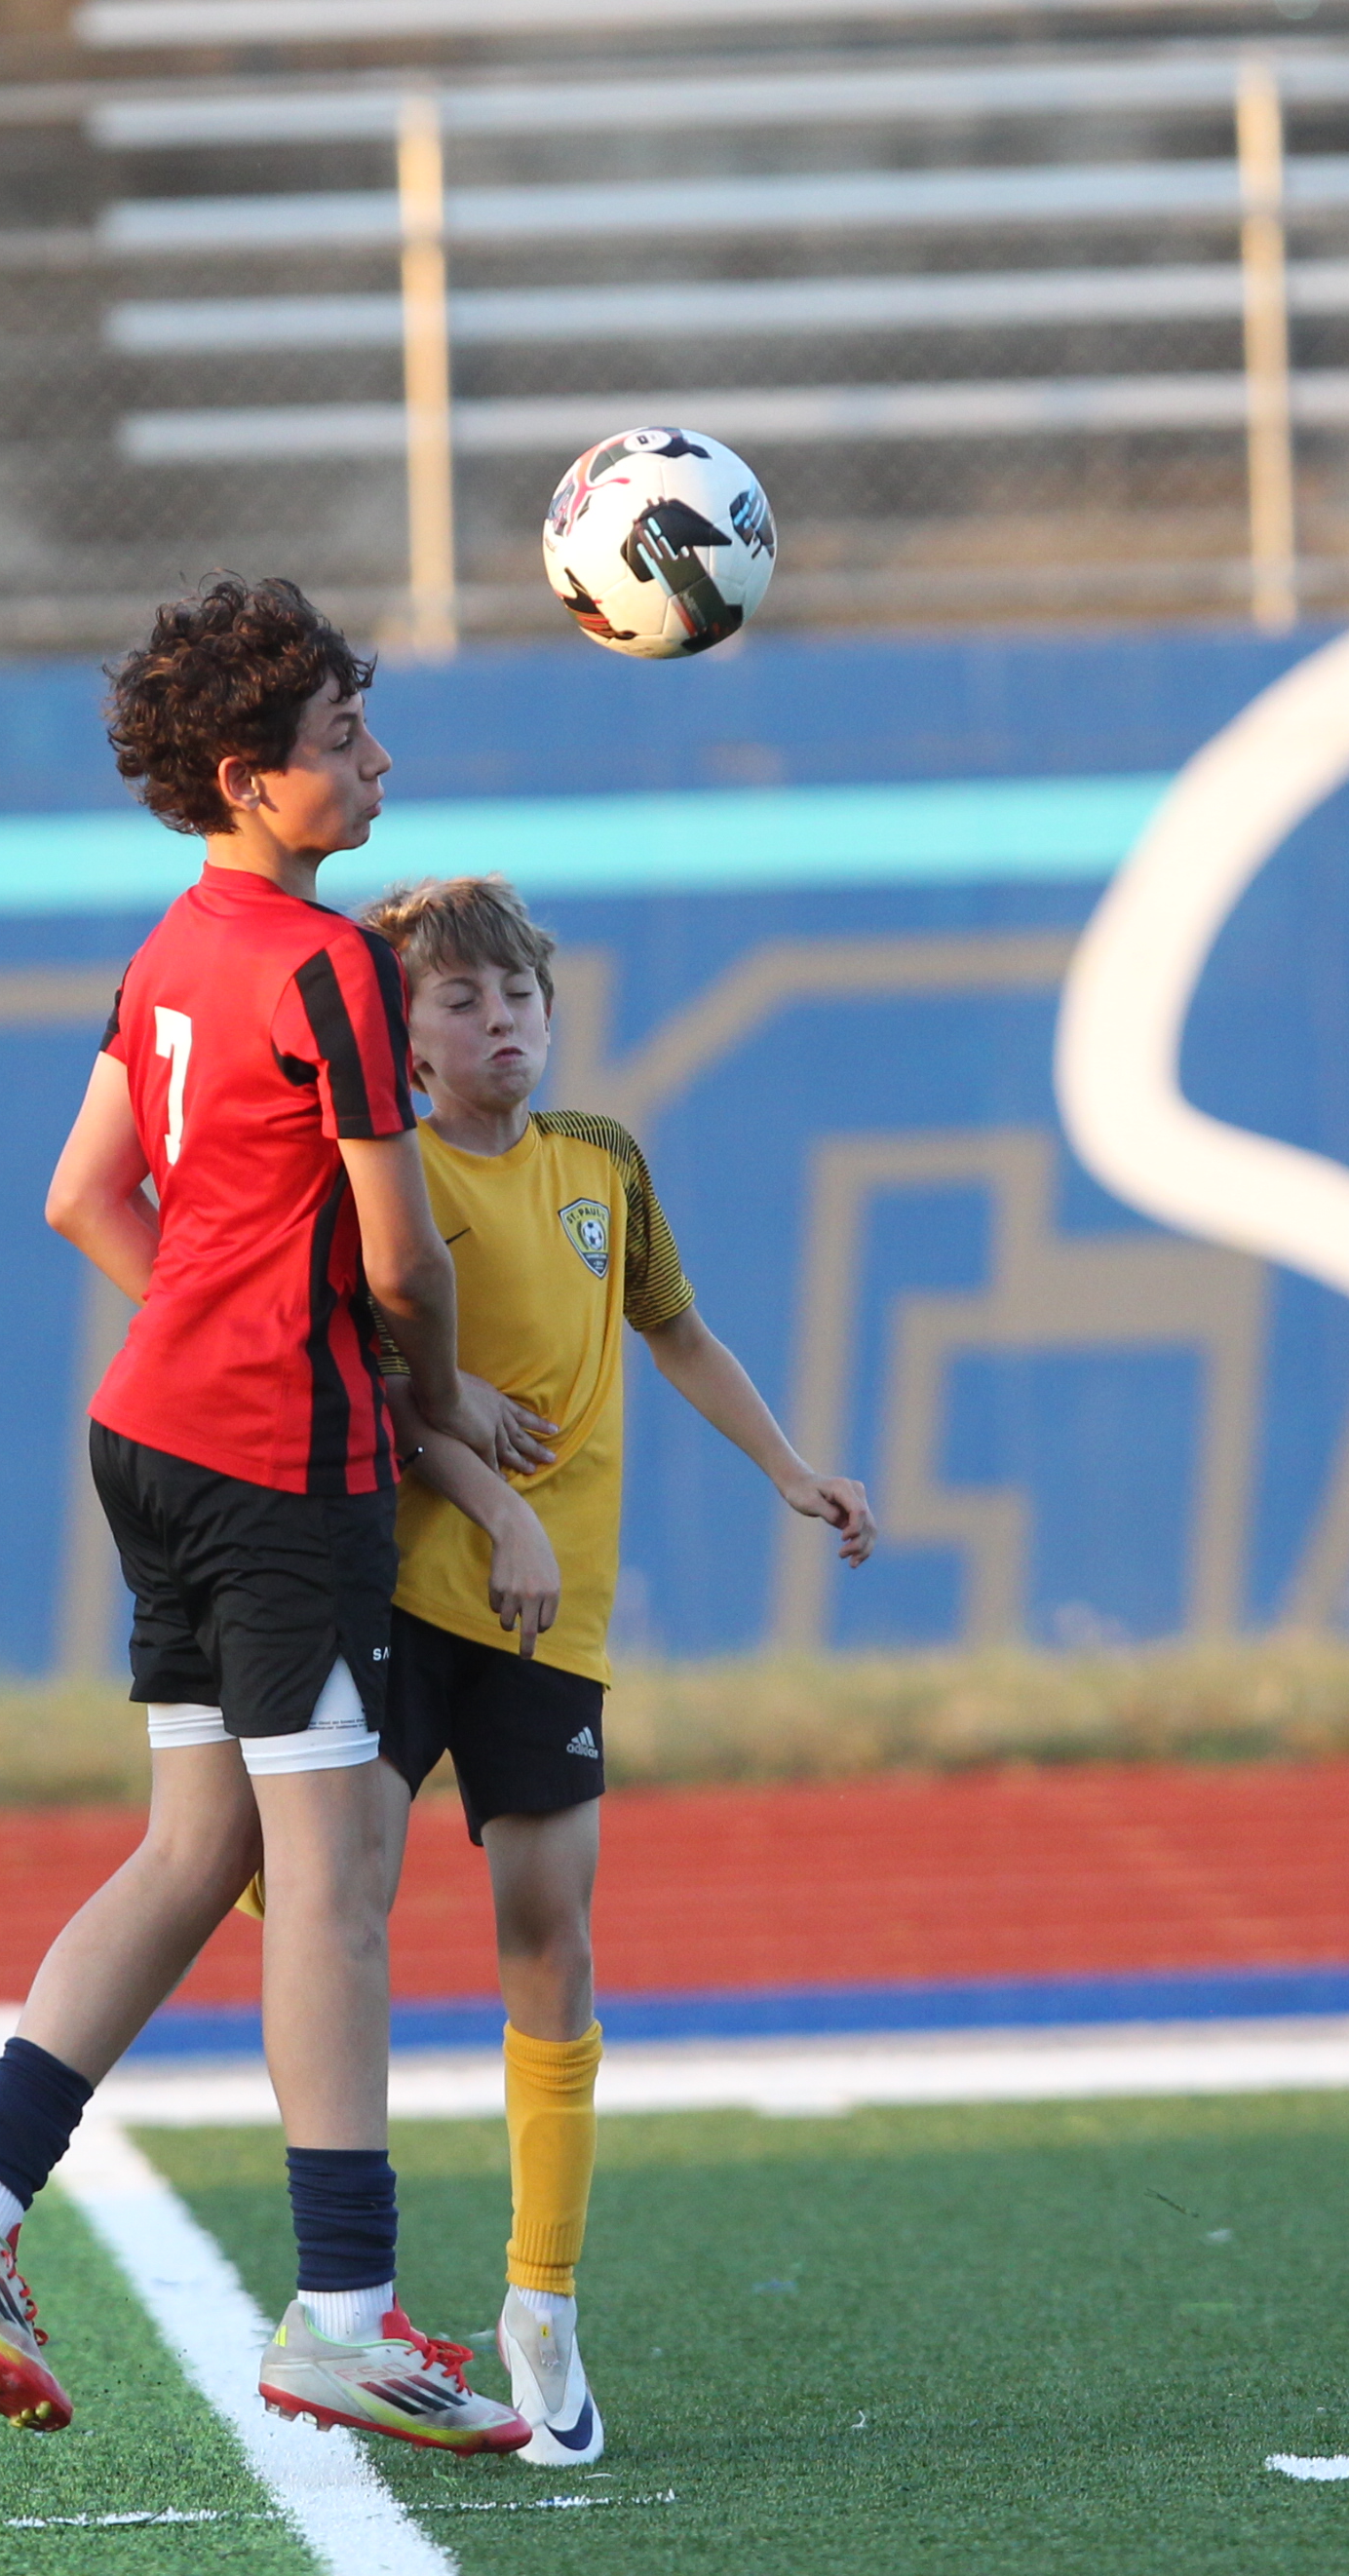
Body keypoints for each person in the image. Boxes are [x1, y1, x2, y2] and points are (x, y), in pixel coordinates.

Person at [0, 578, 538, 2456]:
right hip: (277, 1469)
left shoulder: (171, 949)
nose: (378, 760)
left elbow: (85, 1192)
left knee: (195, 1844)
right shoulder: (330, 970)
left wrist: (217, 1328)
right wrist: (440, 1403)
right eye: (342, 739)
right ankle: (345, 2316)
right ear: (249, 777)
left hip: (151, 1436)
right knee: (330, 1886)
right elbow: (403, 1263)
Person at [353, 873, 877, 2468]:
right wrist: (479, 1484)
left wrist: (790, 1467)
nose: (501, 1021)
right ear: (407, 1039)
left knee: (550, 1937)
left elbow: (678, 1332)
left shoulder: (603, 1164)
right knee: (327, 1906)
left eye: (520, 994)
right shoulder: (383, 1173)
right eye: (461, 1000)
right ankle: (350, 2299)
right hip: (403, 1591)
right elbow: (381, 1388)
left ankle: (543, 2301)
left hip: (549, 1618)